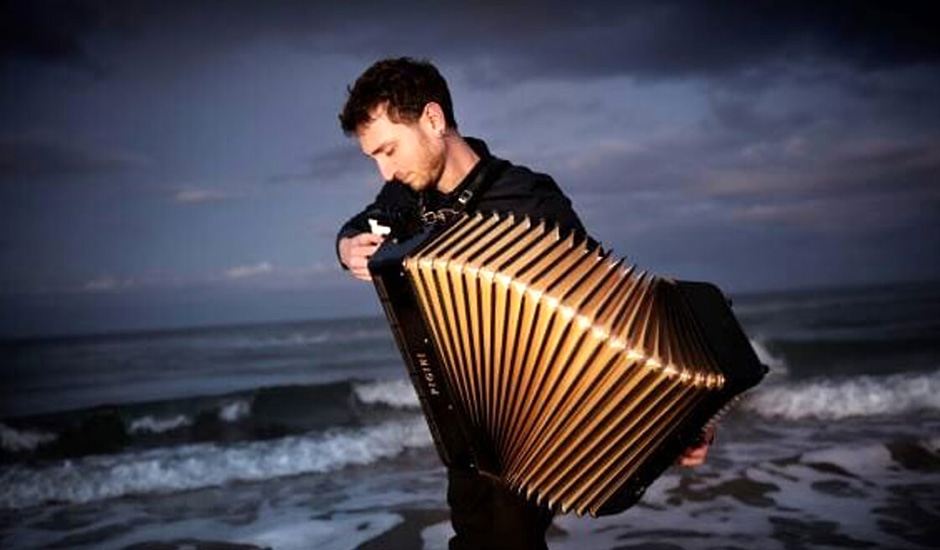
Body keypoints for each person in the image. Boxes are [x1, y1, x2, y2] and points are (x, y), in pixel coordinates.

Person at [334, 57, 713, 550]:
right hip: (464, 414)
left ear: (433, 120)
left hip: (535, 415)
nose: (385, 170)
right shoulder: (405, 198)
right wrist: (346, 248)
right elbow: (364, 222)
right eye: (374, 159)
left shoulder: (528, 199)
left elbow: (608, 313)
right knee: (473, 536)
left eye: (388, 150)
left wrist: (680, 419)